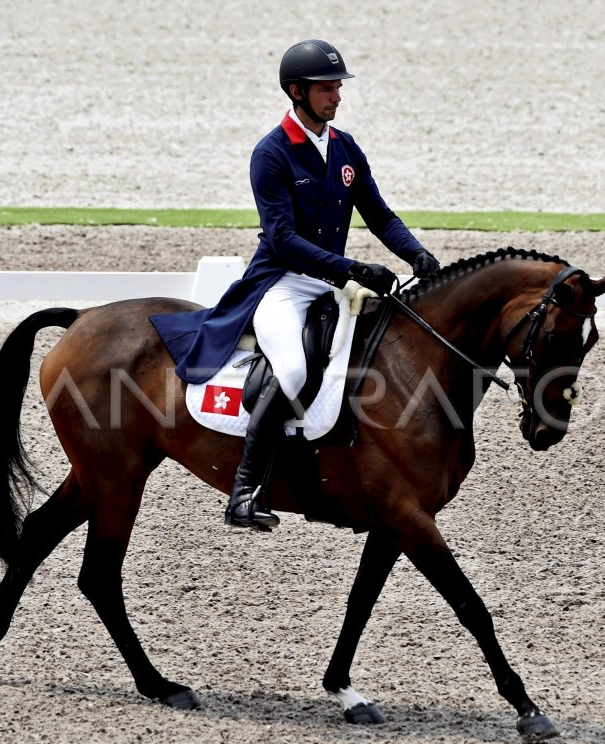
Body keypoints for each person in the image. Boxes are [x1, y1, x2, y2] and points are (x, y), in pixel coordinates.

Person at [149, 39, 440, 530]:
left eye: (338, 88)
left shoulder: (345, 148)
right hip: (282, 284)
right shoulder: (272, 153)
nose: (338, 97)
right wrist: (352, 270)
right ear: (296, 91)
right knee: (292, 369)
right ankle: (245, 491)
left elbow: (379, 214)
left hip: (330, 287)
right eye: (328, 89)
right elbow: (282, 239)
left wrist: (417, 254)